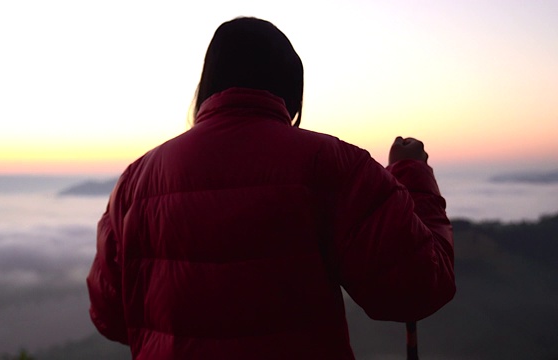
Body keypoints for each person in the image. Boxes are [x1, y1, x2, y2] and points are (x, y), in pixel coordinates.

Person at [87, 17, 455, 360]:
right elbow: (417, 288)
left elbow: (111, 316)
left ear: (208, 84)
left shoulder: (135, 182)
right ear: (292, 91)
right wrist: (411, 175)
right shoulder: (333, 165)